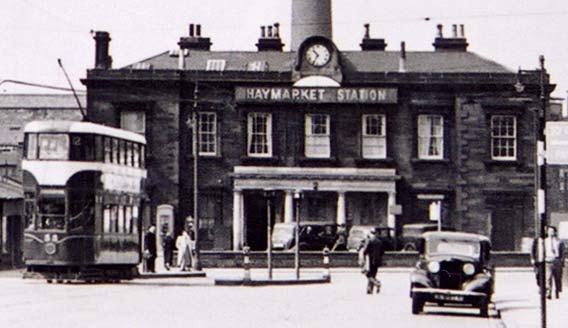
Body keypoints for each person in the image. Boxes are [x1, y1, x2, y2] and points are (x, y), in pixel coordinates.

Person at [360, 228, 385, 294]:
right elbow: (382, 252)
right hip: (378, 261)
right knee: (373, 274)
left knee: (368, 275)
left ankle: (377, 284)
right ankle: (370, 289)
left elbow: (365, 252)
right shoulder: (379, 242)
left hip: (371, 260)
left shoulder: (370, 241)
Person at [544, 226, 564, 299]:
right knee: (548, 277)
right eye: (549, 231)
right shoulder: (545, 241)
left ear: (555, 232)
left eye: (552, 231)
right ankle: (548, 292)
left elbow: (562, 252)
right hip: (548, 260)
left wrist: (561, 261)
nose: (551, 233)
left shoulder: (559, 241)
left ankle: (557, 291)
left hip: (557, 260)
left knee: (557, 277)